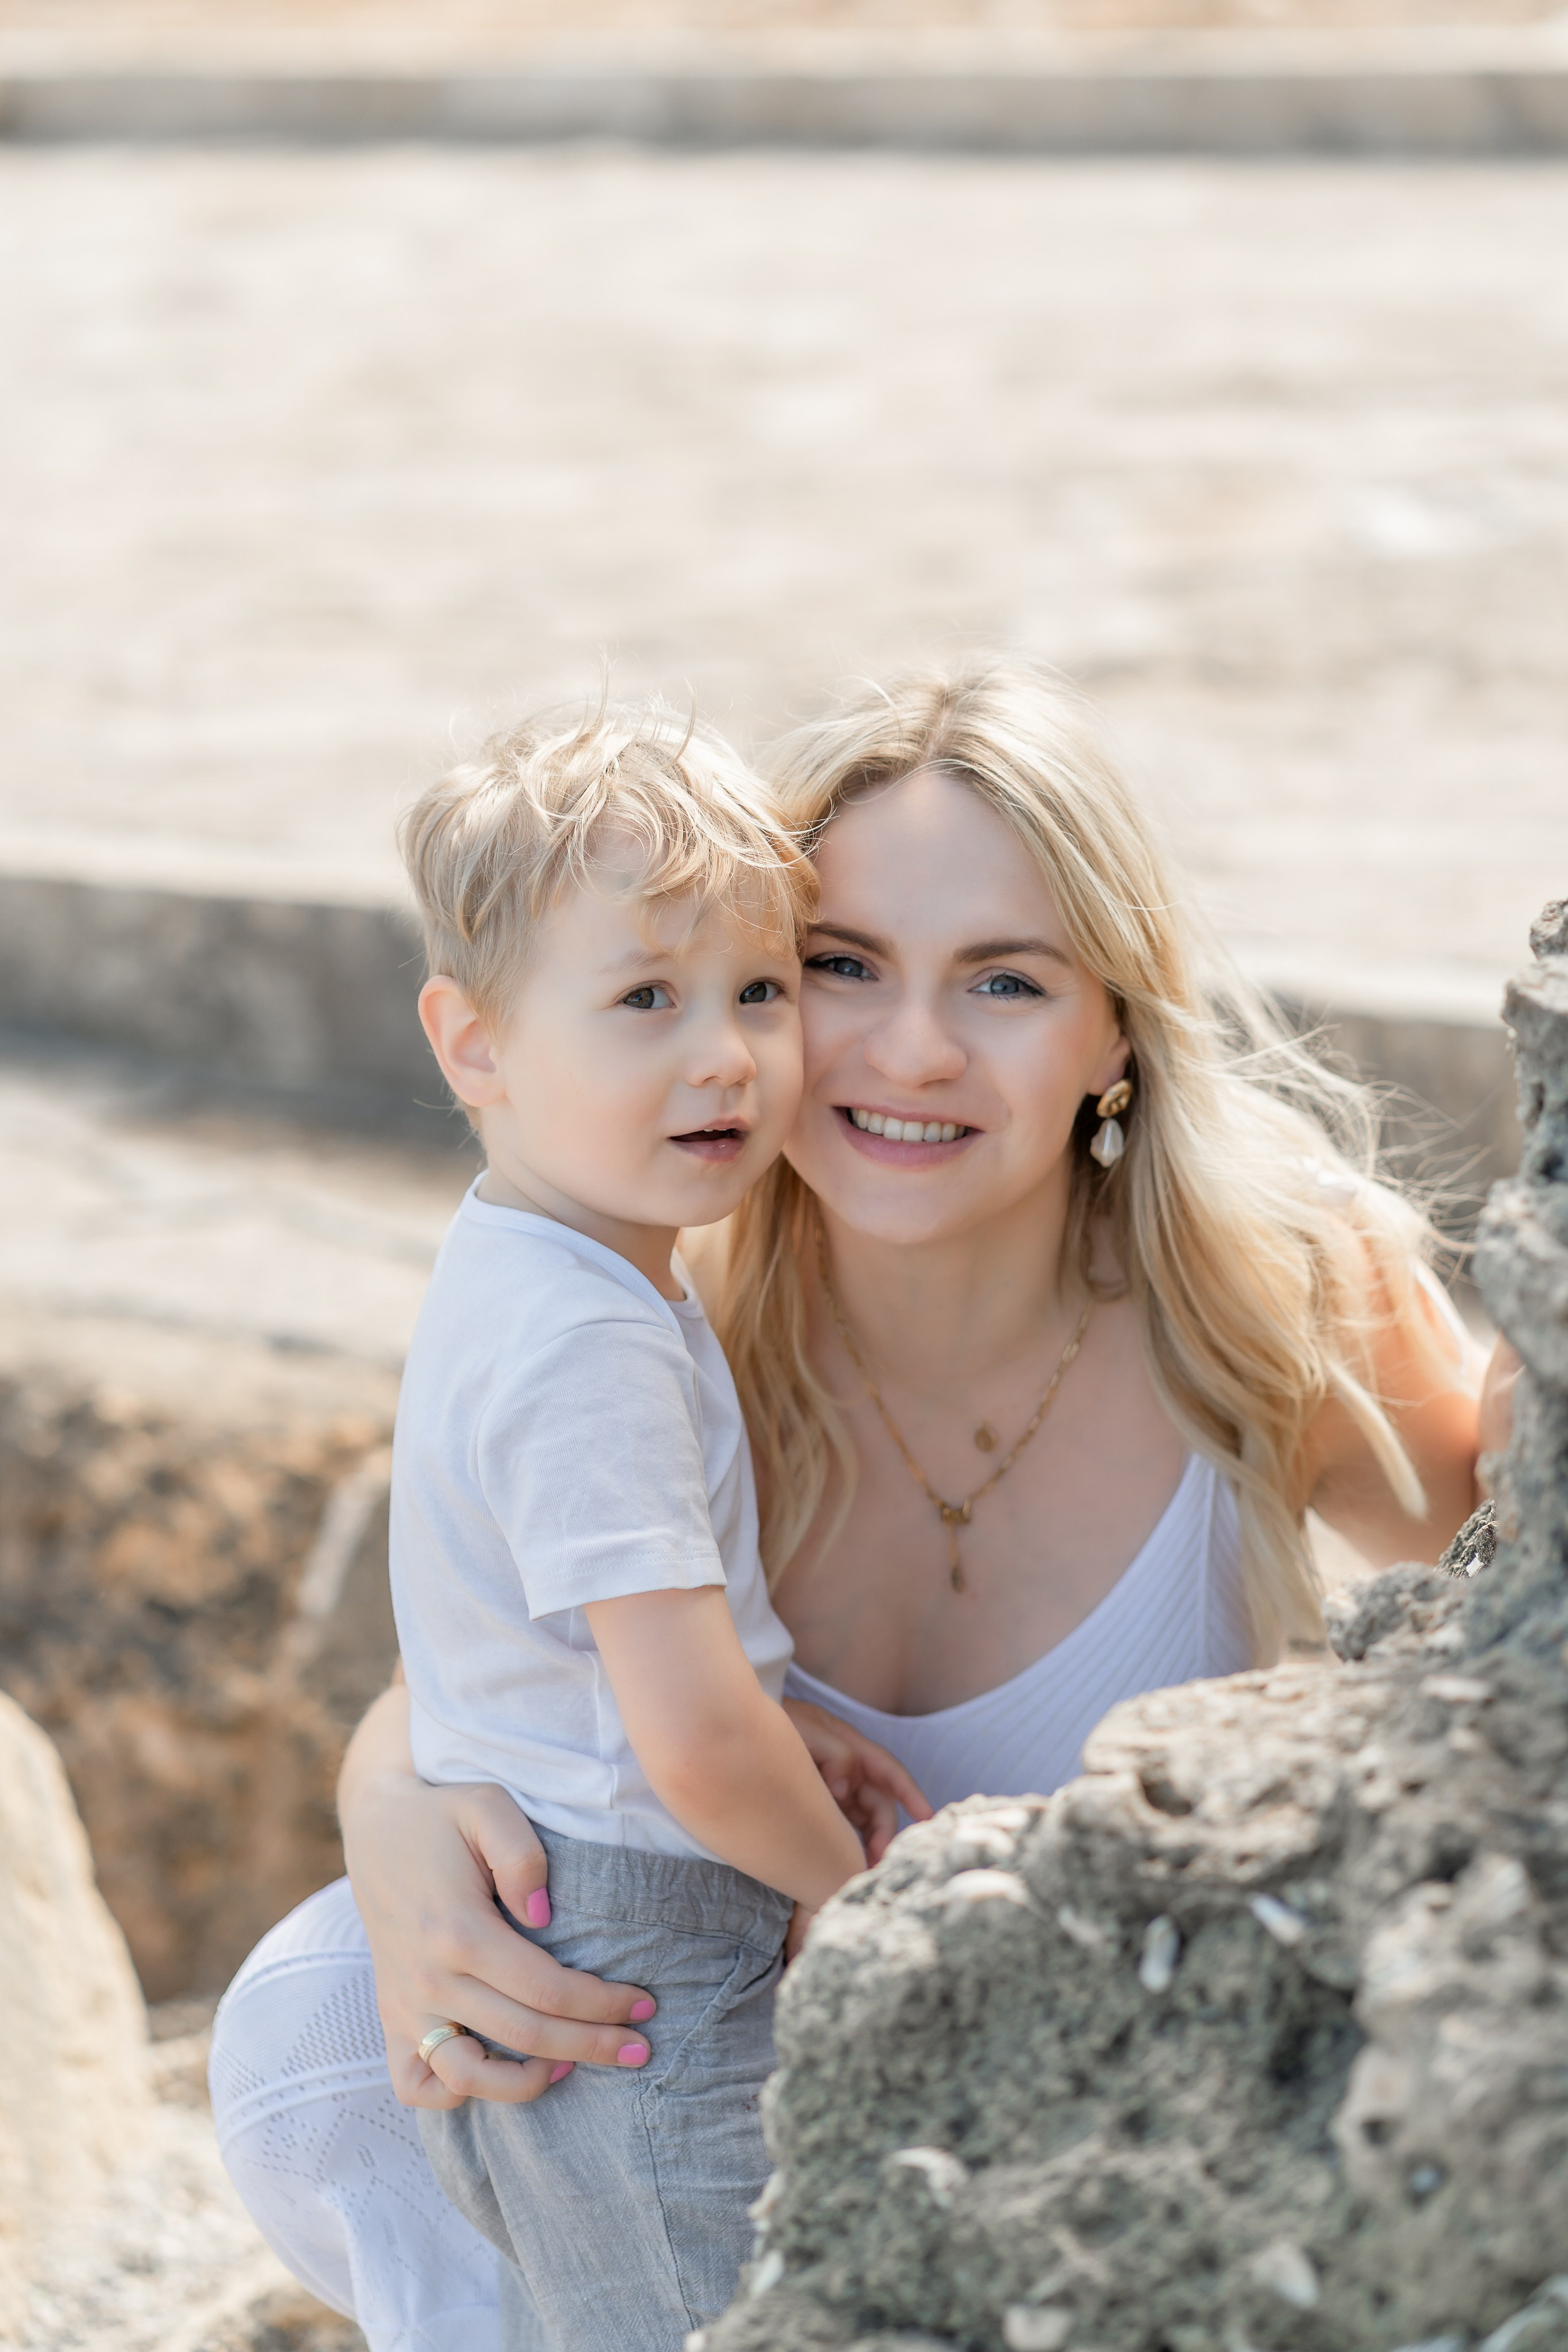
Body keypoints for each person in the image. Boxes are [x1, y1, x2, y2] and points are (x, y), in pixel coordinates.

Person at [211, 658, 1501, 2352]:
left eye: (1008, 982)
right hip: (721, 2060)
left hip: (1103, 2093)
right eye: (838, 967)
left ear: (1117, 1024)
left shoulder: (1268, 1291)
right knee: (308, 2026)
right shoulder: (664, 1298)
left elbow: (1518, 1595)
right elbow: (503, 1660)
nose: (907, 1048)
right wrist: (393, 1819)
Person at [379, 698, 913, 2352]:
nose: (726, 1056)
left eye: (762, 990)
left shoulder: (538, 1260)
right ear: (473, 1046)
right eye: (644, 1001)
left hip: (571, 1932)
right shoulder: (591, 1339)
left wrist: (780, 1705)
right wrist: (855, 1898)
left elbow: (582, 1656)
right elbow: (684, 1742)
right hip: (644, 1969)